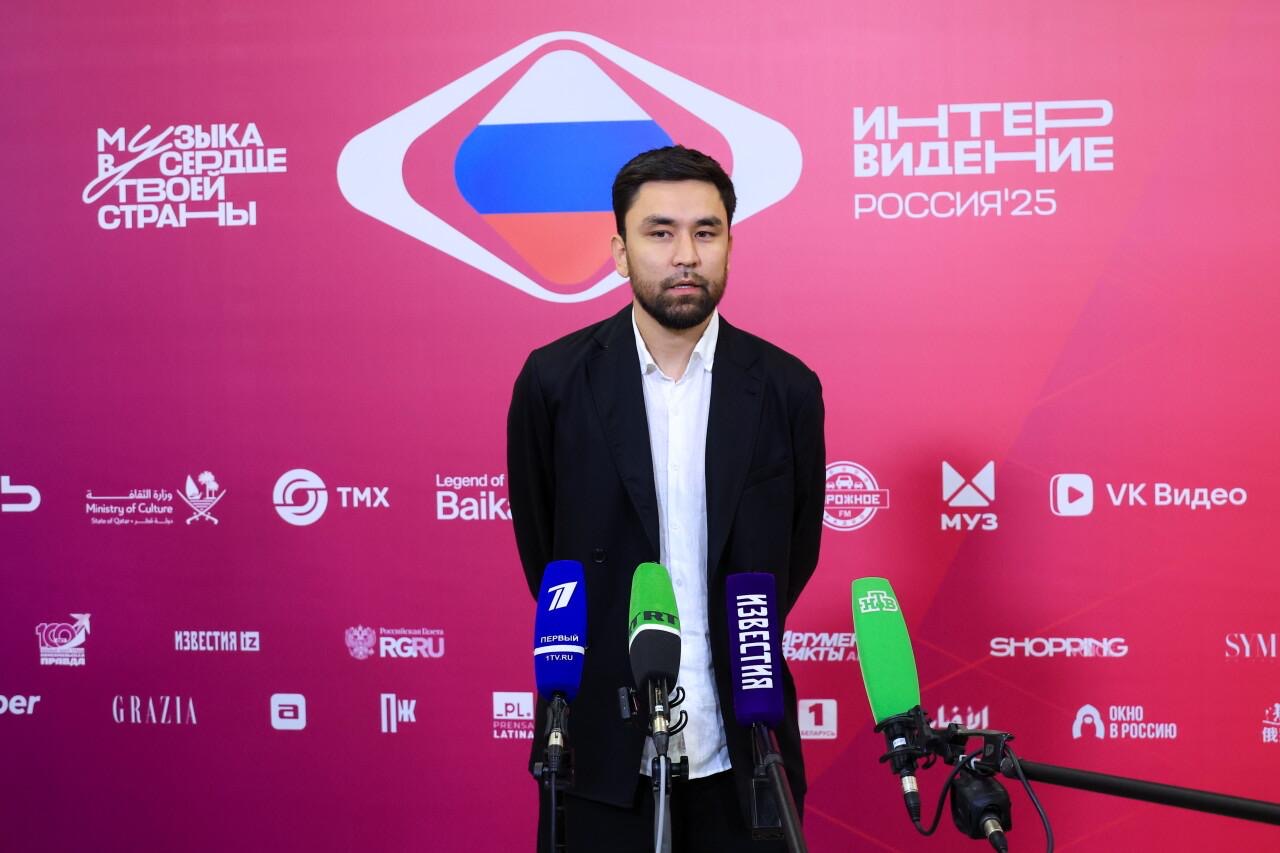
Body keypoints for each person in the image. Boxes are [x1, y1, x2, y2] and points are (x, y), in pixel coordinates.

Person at [508, 145, 825, 852]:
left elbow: (795, 554)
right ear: (620, 252)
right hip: (596, 751)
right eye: (660, 232)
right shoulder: (553, 383)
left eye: (705, 232)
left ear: (730, 245)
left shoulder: (787, 388)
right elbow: (545, 553)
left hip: (745, 745)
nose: (686, 254)